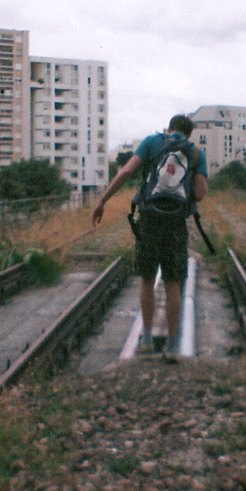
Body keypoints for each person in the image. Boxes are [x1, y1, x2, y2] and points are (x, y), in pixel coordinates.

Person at [91, 114, 208, 359]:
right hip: (176, 221)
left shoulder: (151, 142)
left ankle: (145, 338)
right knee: (173, 282)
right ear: (189, 134)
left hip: (149, 219)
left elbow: (126, 172)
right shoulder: (196, 152)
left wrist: (102, 200)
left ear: (169, 128)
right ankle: (174, 344)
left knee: (147, 278)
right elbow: (199, 193)